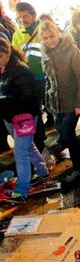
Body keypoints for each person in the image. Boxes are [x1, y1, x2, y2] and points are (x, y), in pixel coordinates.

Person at [40, 20, 80, 181]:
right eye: (46, 38)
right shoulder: (46, 52)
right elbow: (48, 79)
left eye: (52, 36)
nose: (50, 40)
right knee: (66, 137)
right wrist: (48, 102)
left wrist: (79, 103)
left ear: (58, 33)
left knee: (68, 135)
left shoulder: (71, 50)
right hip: (57, 103)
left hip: (72, 101)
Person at [0, 38, 48, 201]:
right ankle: (42, 170)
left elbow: (26, 97)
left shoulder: (21, 70)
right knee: (28, 147)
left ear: (7, 53)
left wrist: (5, 101)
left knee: (20, 152)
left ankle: (22, 190)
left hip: (24, 117)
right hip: (9, 117)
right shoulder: (3, 69)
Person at [13, 2, 48, 153]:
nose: (23, 20)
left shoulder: (45, 30)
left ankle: (63, 135)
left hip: (47, 77)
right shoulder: (17, 34)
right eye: (20, 17)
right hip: (29, 81)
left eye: (26, 16)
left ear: (33, 15)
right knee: (35, 110)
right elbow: (15, 58)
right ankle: (40, 141)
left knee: (54, 107)